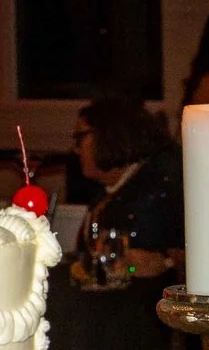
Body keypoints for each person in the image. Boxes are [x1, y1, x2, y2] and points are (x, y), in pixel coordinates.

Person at [70, 93, 182, 283]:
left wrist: (165, 263)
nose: (75, 148)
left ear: (108, 135)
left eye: (80, 137)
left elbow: (173, 261)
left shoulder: (159, 189)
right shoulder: (108, 191)